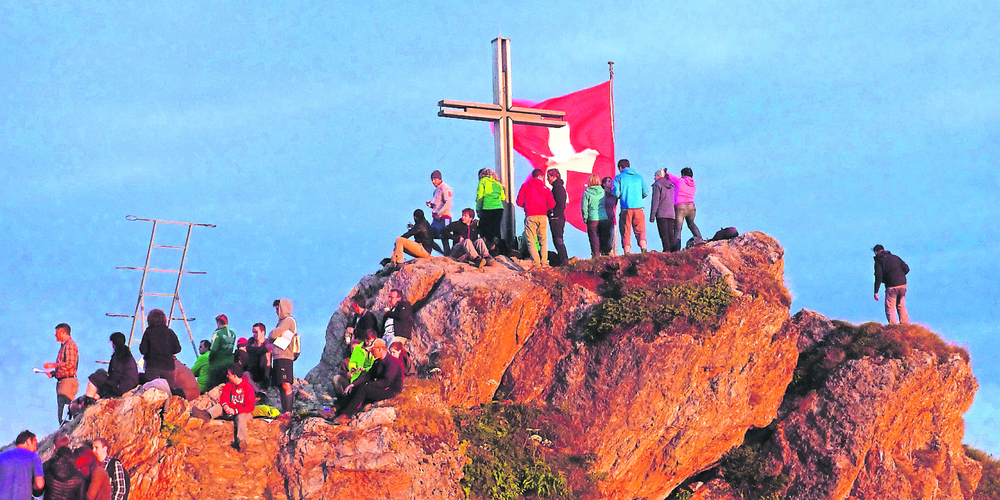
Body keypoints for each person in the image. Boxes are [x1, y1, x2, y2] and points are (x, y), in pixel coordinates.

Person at [332, 339, 404, 425]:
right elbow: (369, 376)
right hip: (383, 386)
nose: (371, 353)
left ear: (380, 349)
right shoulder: (377, 362)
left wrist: (369, 384)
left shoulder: (393, 362)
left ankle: (346, 415)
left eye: (373, 351)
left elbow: (387, 381)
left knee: (364, 389)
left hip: (391, 390)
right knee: (358, 387)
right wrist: (353, 384)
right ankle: (337, 411)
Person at [191, 364, 256, 452]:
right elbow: (223, 398)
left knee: (240, 418)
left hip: (243, 412)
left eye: (228, 374)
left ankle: (241, 441)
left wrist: (235, 410)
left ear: (234, 375)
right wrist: (226, 407)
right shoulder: (229, 385)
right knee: (219, 407)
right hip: (229, 410)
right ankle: (207, 415)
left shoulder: (248, 388)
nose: (227, 376)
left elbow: (250, 406)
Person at [84, 332, 139, 404]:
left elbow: (116, 373)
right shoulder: (127, 354)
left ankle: (88, 401)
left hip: (121, 387)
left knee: (94, 378)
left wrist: (109, 383)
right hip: (131, 384)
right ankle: (95, 398)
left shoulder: (118, 355)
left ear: (112, 343)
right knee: (101, 376)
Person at [515, 168, 556, 267]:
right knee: (543, 240)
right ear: (541, 177)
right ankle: (545, 262)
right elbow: (552, 204)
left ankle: (537, 264)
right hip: (542, 216)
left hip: (530, 215)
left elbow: (519, 202)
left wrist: (527, 205)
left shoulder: (525, 186)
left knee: (531, 240)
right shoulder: (545, 189)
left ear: (533, 176)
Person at [612, 159, 650, 254]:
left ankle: (627, 252)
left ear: (620, 168)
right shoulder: (639, 177)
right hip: (638, 207)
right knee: (640, 230)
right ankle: (644, 249)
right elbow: (645, 192)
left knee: (626, 230)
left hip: (626, 207)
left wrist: (621, 195)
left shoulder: (618, 178)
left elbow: (616, 193)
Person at [138, 309, 181, 390]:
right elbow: (177, 348)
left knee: (153, 392)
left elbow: (143, 350)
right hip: (169, 367)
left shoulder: (148, 332)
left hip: (152, 367)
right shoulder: (170, 332)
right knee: (169, 392)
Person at [44, 323, 79, 425]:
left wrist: (53, 365)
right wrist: (54, 373)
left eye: (57, 333)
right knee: (62, 412)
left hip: (67, 381)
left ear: (63, 332)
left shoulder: (70, 346)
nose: (55, 336)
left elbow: (70, 364)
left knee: (65, 411)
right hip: (63, 381)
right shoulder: (64, 346)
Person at [269, 298, 298, 415]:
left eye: (278, 309)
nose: (276, 312)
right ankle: (284, 411)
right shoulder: (282, 322)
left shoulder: (288, 320)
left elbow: (274, 334)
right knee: (281, 385)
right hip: (278, 357)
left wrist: (272, 334)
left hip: (284, 356)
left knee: (286, 384)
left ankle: (288, 412)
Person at [0, 430, 44, 500]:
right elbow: (39, 484)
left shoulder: (2, 456)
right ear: (28, 441)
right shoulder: (33, 456)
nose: (35, 449)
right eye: (35, 444)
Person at [873, 244, 910, 324]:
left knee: (890, 307)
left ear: (876, 252)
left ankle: (893, 327)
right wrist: (900, 276)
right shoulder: (895, 257)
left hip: (891, 286)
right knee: (901, 305)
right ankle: (905, 325)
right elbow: (906, 269)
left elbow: (878, 276)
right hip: (903, 284)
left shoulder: (879, 260)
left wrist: (876, 291)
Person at [668, 167, 702, 251]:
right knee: (691, 224)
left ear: (683, 174)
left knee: (678, 229)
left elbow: (669, 176)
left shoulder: (680, 181)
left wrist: (664, 171)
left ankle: (676, 250)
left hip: (680, 206)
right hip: (691, 207)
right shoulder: (693, 184)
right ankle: (700, 240)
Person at [426, 170, 454, 254]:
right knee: (429, 235)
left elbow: (448, 202)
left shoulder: (445, 188)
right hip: (436, 218)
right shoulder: (436, 190)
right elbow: (438, 203)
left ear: (439, 179)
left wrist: (440, 213)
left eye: (435, 179)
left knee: (444, 236)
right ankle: (440, 252)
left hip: (444, 216)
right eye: (432, 179)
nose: (433, 182)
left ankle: (448, 254)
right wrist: (431, 205)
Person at [649, 169, 677, 252]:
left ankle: (666, 252)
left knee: (664, 234)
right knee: (670, 234)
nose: (654, 178)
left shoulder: (657, 185)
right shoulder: (672, 185)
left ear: (658, 176)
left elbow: (655, 200)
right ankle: (674, 253)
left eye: (655, 175)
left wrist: (652, 216)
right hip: (672, 213)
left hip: (661, 213)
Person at [206, 314, 237, 390]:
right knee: (227, 385)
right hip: (229, 363)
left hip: (217, 364)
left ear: (218, 322)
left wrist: (210, 359)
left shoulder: (217, 333)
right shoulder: (233, 333)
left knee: (214, 387)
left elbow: (213, 349)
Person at [546, 169, 570, 266]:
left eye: (549, 176)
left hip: (557, 217)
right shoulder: (558, 188)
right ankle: (562, 259)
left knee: (558, 239)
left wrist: (552, 212)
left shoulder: (557, 188)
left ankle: (564, 260)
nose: (547, 179)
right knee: (557, 239)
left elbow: (560, 204)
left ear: (555, 176)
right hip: (557, 216)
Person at [476, 168, 506, 243]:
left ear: (482, 175)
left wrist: (478, 209)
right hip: (499, 208)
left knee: (485, 229)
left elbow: (480, 196)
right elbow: (502, 197)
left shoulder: (483, 181)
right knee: (496, 229)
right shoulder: (498, 183)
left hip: (487, 207)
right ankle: (498, 248)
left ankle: (488, 247)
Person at [581, 174, 607, 258]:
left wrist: (585, 218)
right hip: (603, 217)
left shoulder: (586, 192)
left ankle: (596, 256)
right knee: (603, 237)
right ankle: (605, 255)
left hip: (592, 218)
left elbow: (584, 207)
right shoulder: (603, 191)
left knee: (594, 238)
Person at [245, 323, 271, 390]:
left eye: (256, 332)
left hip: (263, 370)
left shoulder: (267, 342)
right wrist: (262, 349)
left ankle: (266, 379)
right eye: (253, 332)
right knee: (246, 374)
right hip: (252, 369)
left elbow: (266, 351)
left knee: (266, 355)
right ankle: (257, 391)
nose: (254, 334)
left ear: (263, 332)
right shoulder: (251, 340)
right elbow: (248, 349)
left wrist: (259, 350)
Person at [601, 176, 618, 255]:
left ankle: (608, 252)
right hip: (602, 217)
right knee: (602, 236)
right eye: (608, 181)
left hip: (610, 217)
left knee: (609, 237)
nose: (611, 183)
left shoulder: (613, 195)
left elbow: (613, 203)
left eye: (611, 181)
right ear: (604, 184)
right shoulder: (601, 194)